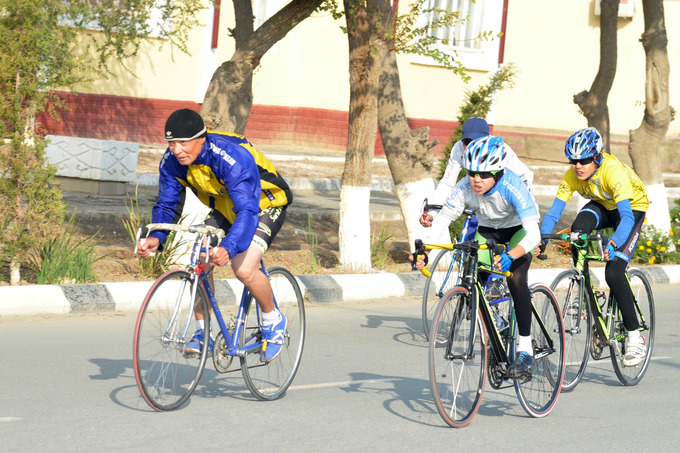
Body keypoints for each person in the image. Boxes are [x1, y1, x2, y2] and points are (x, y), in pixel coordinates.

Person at [137, 108, 293, 363]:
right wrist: (157, 236)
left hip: (264, 204)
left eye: (182, 142)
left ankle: (273, 320)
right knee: (200, 260)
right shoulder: (172, 161)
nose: (176, 149)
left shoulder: (230, 157)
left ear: (201, 139)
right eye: (171, 143)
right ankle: (204, 332)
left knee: (243, 268)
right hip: (225, 206)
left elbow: (247, 209)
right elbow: (167, 204)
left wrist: (229, 247)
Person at [415, 135, 541, 378]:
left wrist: (511, 255)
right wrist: (426, 251)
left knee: (515, 278)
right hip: (488, 231)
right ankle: (495, 332)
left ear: (498, 172)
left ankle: (525, 350)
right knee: (473, 283)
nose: (476, 179)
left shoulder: (513, 186)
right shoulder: (464, 187)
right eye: (472, 172)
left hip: (518, 230)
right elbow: (443, 221)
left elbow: (534, 234)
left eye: (483, 174)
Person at [539, 127, 649, 367]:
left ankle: (634, 337)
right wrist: (542, 239)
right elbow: (554, 213)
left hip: (630, 209)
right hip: (602, 204)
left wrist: (614, 242)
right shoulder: (572, 175)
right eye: (573, 160)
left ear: (596, 158)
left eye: (584, 160)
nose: (578, 165)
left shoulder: (613, 172)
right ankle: (584, 285)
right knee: (578, 231)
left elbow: (627, 218)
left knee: (614, 271)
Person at [420, 117, 534, 228]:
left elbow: (523, 177)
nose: (470, 146)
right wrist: (433, 212)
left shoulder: (499, 149)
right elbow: (447, 182)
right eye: (466, 141)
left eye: (475, 141)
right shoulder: (458, 148)